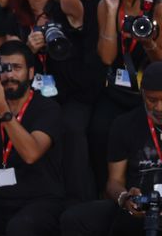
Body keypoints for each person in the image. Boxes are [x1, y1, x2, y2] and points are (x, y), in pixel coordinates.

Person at [6, 0, 99, 200]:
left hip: (76, 91)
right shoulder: (18, 21)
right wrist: (29, 50)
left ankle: (79, 200)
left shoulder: (65, 6)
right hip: (39, 97)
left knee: (71, 128)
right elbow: (12, 63)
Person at [0, 41, 65, 236]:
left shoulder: (47, 108)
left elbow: (31, 153)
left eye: (17, 68)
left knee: (21, 227)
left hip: (39, 200)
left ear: (31, 73)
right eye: (4, 68)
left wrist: (2, 110)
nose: (9, 75)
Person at [91, 0, 162, 193]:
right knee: (99, 128)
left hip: (152, 93)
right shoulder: (107, 3)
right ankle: (111, 195)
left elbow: (160, 62)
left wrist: (149, 43)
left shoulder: (158, 8)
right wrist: (110, 13)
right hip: (118, 90)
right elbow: (108, 58)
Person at [60, 61, 162, 236]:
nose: (159, 108)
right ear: (143, 94)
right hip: (138, 206)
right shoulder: (124, 124)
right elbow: (114, 182)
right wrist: (125, 198)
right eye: (152, 100)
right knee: (74, 219)